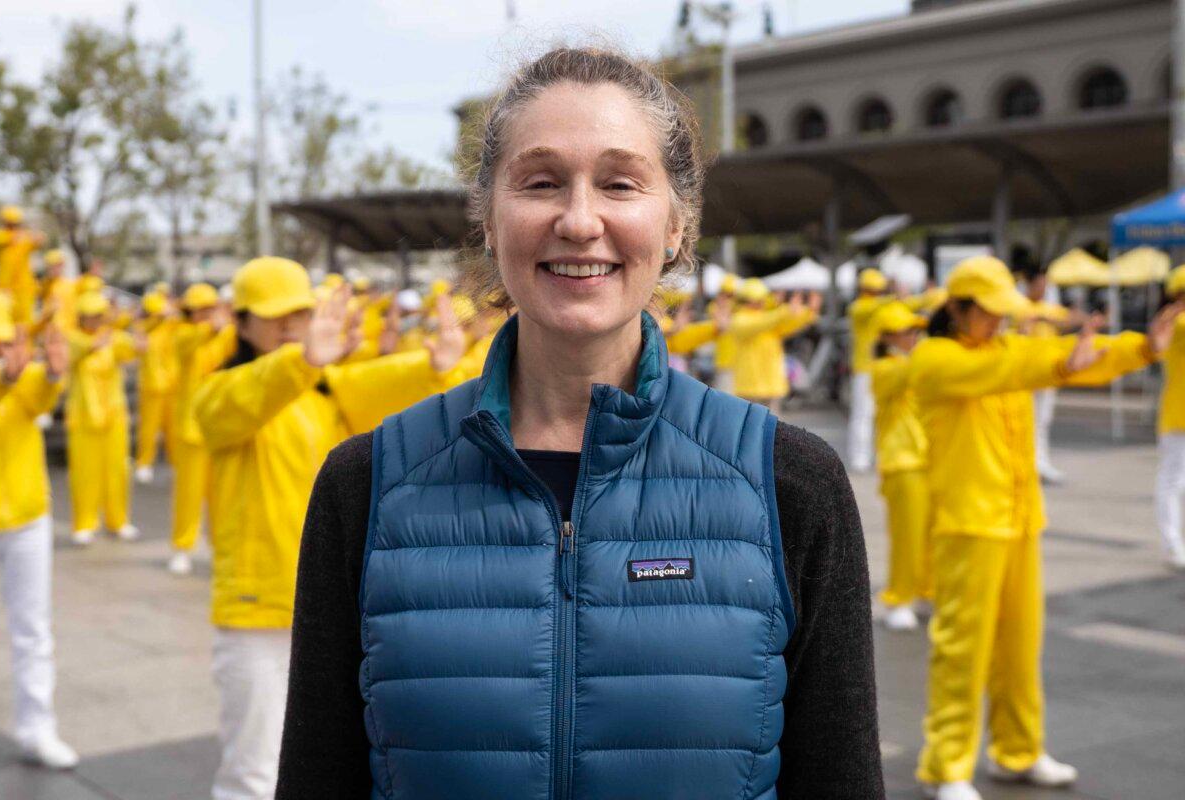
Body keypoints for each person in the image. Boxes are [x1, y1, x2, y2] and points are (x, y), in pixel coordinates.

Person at [277, 46, 884, 800]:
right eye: (540, 183)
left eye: (621, 183)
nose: (579, 219)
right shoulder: (365, 485)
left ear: (677, 225)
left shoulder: (791, 484)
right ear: (489, 219)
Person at [910, 256, 1183, 800]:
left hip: (1018, 520)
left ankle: (1018, 750)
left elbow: (1060, 354)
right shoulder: (933, 359)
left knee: (1019, 646)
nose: (998, 324)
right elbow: (1026, 368)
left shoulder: (1008, 350)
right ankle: (948, 766)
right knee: (962, 651)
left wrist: (1144, 349)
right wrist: (1062, 366)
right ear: (957, 309)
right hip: (969, 525)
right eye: (988, 314)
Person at [193, 256, 465, 800]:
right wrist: (301, 362)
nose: (290, 325)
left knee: (325, 763)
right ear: (241, 322)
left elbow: (383, 383)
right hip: (255, 609)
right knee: (251, 770)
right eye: (275, 316)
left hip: (324, 605)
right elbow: (224, 409)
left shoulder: (324, 389)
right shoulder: (224, 391)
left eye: (299, 312)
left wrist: (437, 367)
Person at [0, 289, 78, 769]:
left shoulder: (17, 377)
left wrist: (56, 372)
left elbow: (37, 393)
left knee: (33, 631)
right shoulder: (0, 378)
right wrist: (2, 374)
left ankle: (38, 730)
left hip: (27, 518)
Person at [869, 300, 931, 631]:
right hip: (902, 462)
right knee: (907, 537)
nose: (915, 337)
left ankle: (923, 591)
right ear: (889, 337)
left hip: (925, 459)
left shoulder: (910, 363)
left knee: (930, 536)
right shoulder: (885, 369)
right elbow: (914, 369)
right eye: (909, 332)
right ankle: (899, 598)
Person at [166, 283, 235, 575]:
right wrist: (212, 328)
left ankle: (222, 551)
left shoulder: (226, 334)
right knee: (189, 494)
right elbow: (187, 344)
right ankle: (183, 547)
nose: (205, 315)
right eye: (200, 310)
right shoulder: (183, 334)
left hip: (221, 425)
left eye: (209, 308)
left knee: (223, 495)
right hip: (192, 427)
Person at [66, 290, 139, 545]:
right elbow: (81, 348)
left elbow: (134, 348)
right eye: (89, 316)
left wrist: (137, 332)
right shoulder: (74, 338)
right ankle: (84, 523)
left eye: (99, 316)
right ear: (81, 317)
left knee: (117, 470)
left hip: (114, 415)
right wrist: (101, 340)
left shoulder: (114, 338)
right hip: (84, 417)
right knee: (85, 473)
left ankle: (118, 520)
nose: (94, 321)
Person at [1018, 268, 1076, 484]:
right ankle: (1031, 463)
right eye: (1039, 285)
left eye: (1045, 285)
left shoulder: (1047, 308)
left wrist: (1045, 317)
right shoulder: (1019, 306)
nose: (1042, 289)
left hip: (1049, 373)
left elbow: (1069, 319)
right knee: (1029, 421)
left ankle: (1041, 462)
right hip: (1027, 375)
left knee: (1043, 421)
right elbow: (1018, 333)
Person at [729, 280, 821, 409]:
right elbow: (764, 322)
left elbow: (790, 325)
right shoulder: (739, 319)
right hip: (750, 387)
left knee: (770, 427)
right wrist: (786, 310)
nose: (762, 302)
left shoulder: (769, 317)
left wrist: (809, 311)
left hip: (771, 384)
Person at [1155, 264, 1185, 570]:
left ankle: (1174, 542)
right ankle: (1172, 543)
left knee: (1175, 482)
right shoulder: (1178, 324)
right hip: (1177, 417)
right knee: (1171, 482)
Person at [134, 292, 180, 484]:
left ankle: (177, 464)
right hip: (152, 386)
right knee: (149, 429)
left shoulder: (170, 326)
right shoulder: (143, 328)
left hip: (171, 385)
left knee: (173, 429)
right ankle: (144, 463)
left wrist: (171, 310)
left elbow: (182, 316)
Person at [846, 268, 889, 472]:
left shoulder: (878, 308)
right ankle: (860, 457)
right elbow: (873, 307)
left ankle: (875, 455)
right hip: (864, 369)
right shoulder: (858, 307)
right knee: (863, 415)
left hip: (880, 367)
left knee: (878, 415)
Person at [0, 206, 45, 326]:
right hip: (5, 287)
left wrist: (32, 233)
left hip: (24, 288)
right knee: (4, 321)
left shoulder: (24, 238)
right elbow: (3, 239)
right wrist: (23, 235)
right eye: (10, 224)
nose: (13, 227)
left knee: (24, 323)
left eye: (15, 224)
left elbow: (40, 239)